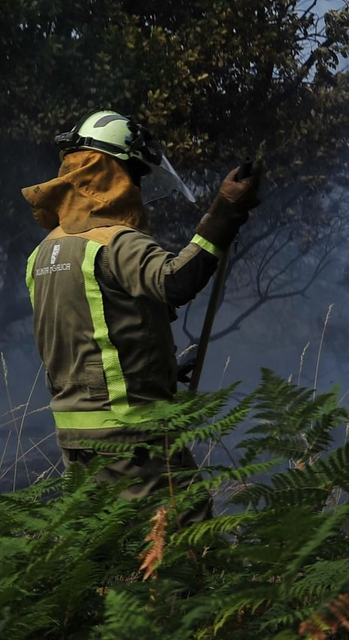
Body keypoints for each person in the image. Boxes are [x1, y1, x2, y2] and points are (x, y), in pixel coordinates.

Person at [22, 110, 262, 519]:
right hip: (129, 430)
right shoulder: (114, 243)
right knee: (187, 540)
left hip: (75, 432)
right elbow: (176, 282)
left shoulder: (44, 252)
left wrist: (160, 364)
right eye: (134, 174)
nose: (136, 187)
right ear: (109, 171)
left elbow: (96, 329)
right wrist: (225, 212)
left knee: (101, 555)